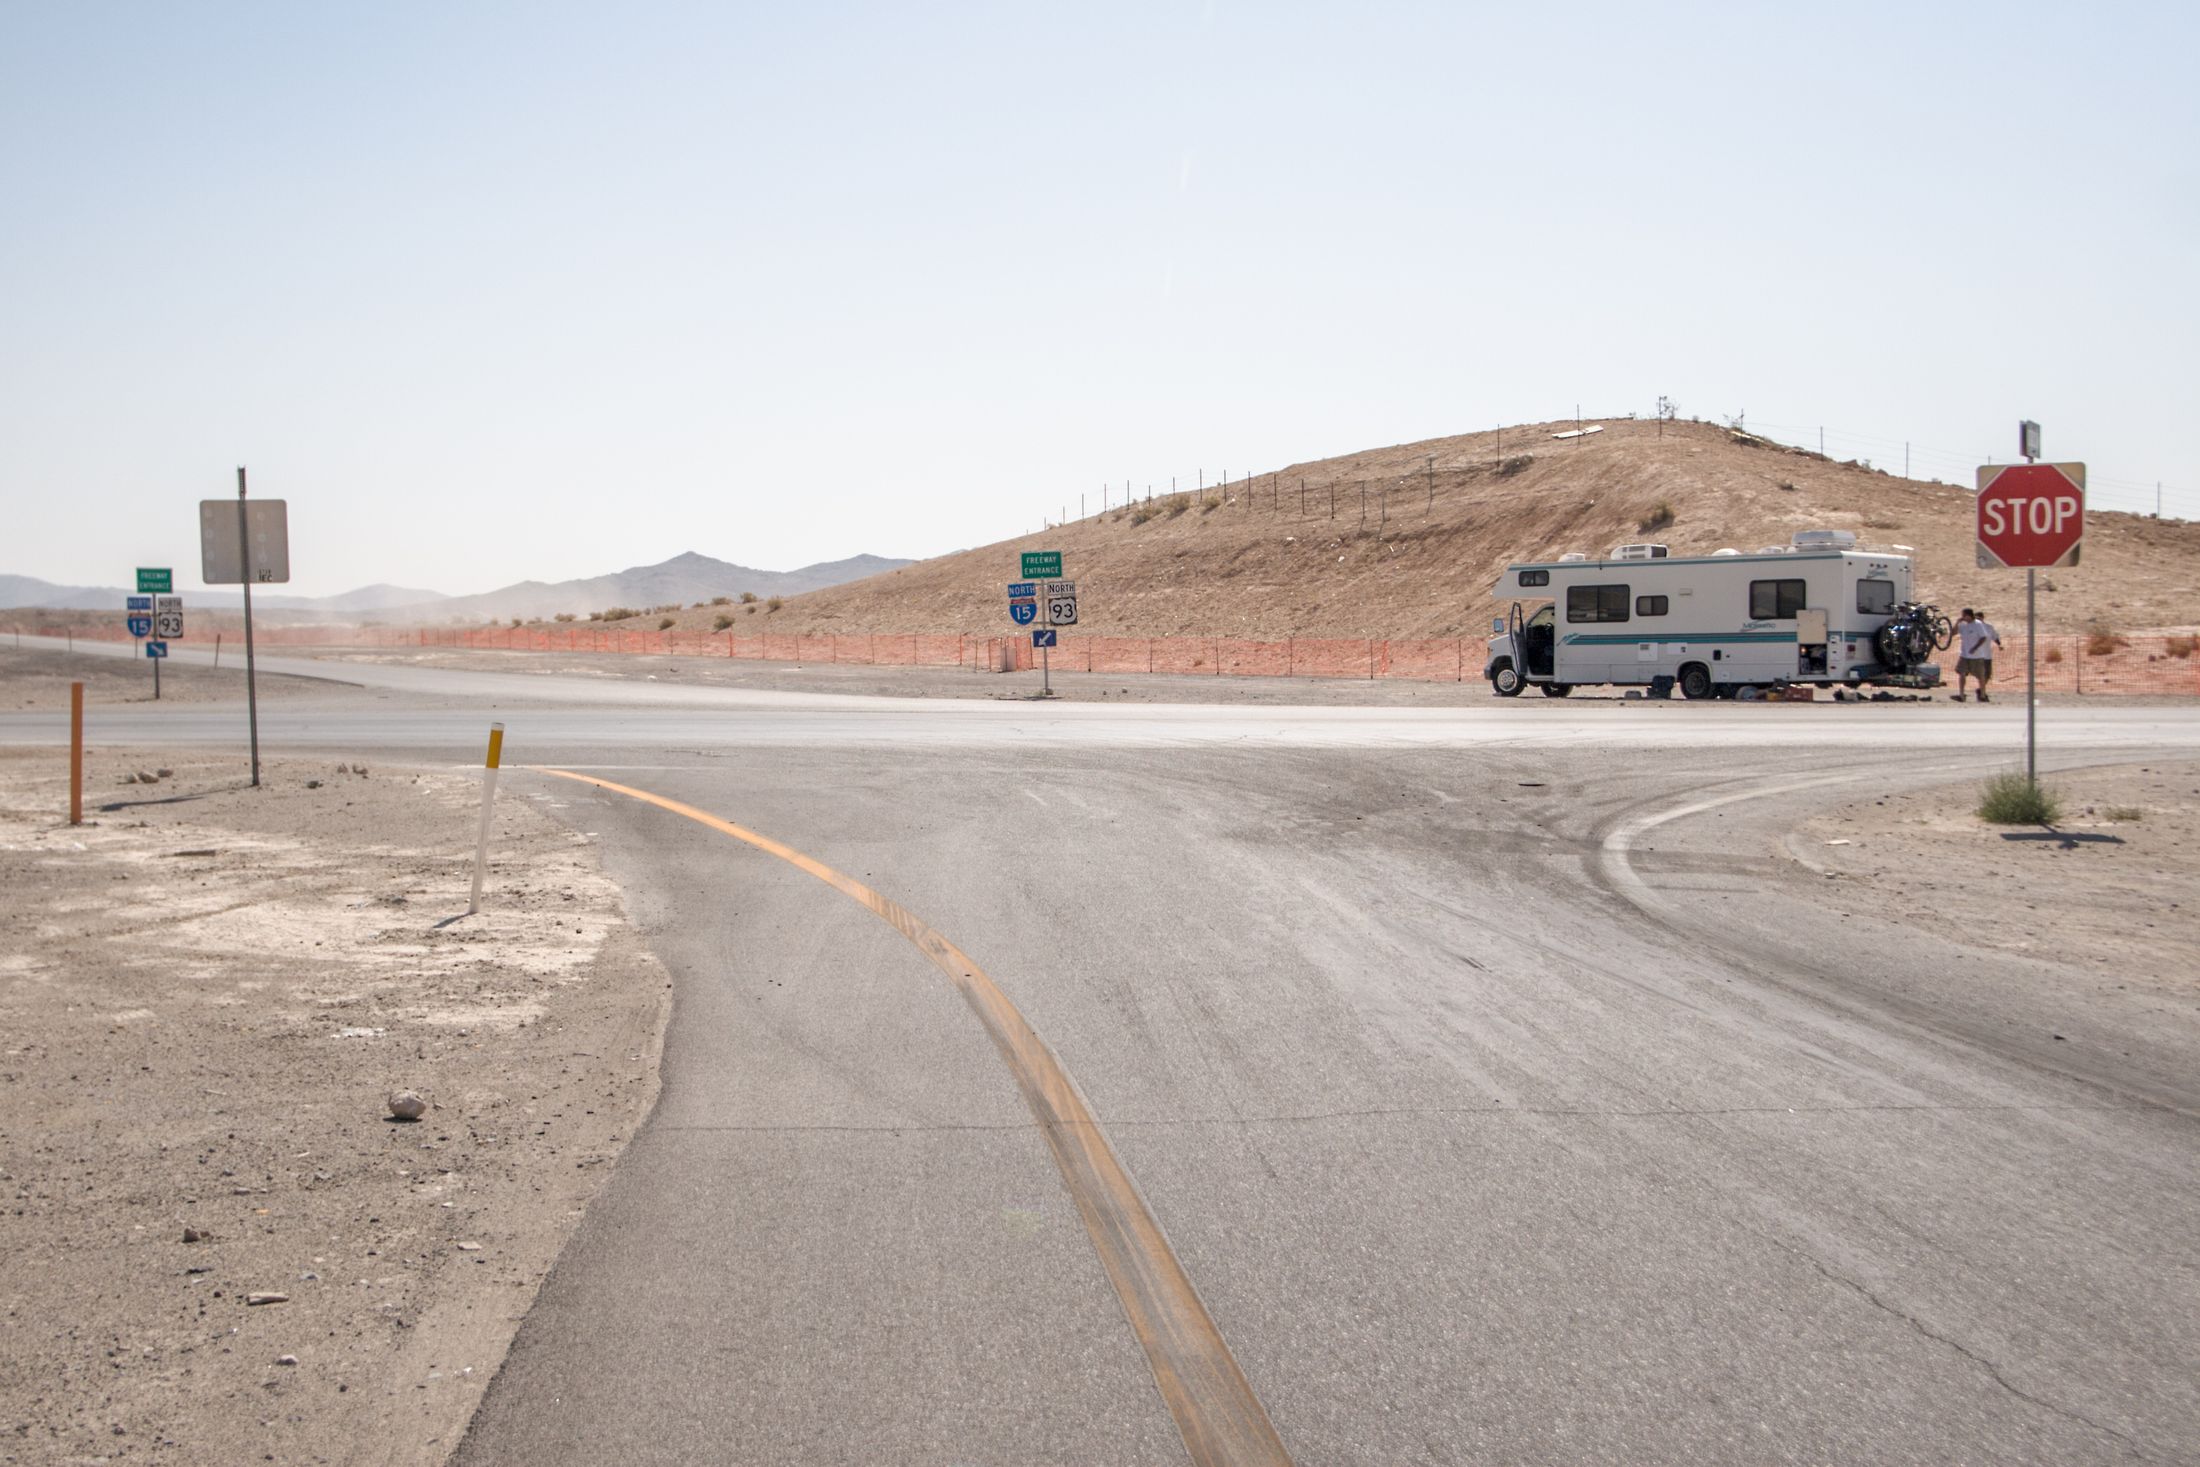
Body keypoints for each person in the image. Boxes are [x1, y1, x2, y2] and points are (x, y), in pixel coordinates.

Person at [1954, 607, 2002, 702]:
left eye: (1963, 615)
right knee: (1962, 674)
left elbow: (1984, 637)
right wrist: (1957, 622)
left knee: (1982, 676)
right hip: (1964, 655)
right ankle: (1961, 695)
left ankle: (1982, 695)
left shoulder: (1979, 625)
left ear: (1968, 616)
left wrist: (1975, 648)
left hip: (1978, 655)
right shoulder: (1963, 625)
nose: (1962, 617)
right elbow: (1953, 633)